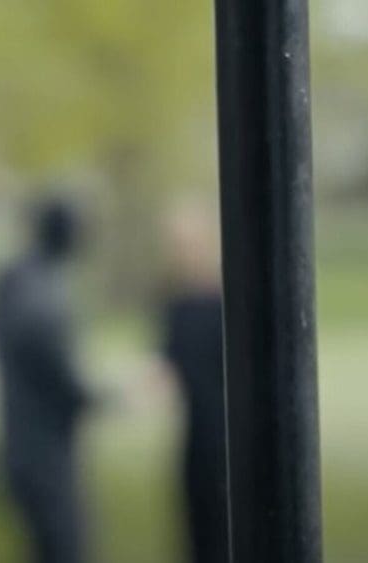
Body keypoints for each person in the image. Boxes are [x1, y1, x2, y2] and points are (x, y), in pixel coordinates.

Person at [0, 197, 93, 563]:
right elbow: (53, 367)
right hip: (40, 450)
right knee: (64, 546)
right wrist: (101, 395)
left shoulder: (15, 279)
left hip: (26, 443)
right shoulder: (38, 291)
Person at [155, 204, 229, 563]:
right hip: (193, 433)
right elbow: (166, 363)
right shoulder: (175, 304)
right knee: (194, 530)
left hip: (224, 432)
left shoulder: (225, 302)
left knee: (223, 528)